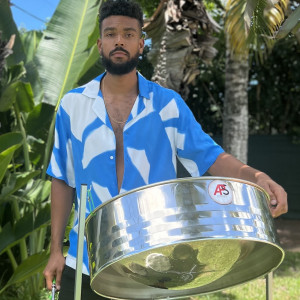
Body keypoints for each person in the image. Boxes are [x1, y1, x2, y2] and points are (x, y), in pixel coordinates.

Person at [43, 0, 288, 299]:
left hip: (155, 265)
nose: (119, 40)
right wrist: (56, 250)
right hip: (85, 261)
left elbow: (211, 156)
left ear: (141, 44)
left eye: (129, 34)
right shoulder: (72, 105)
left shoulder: (167, 105)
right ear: (99, 44)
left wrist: (257, 177)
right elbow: (62, 179)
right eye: (110, 33)